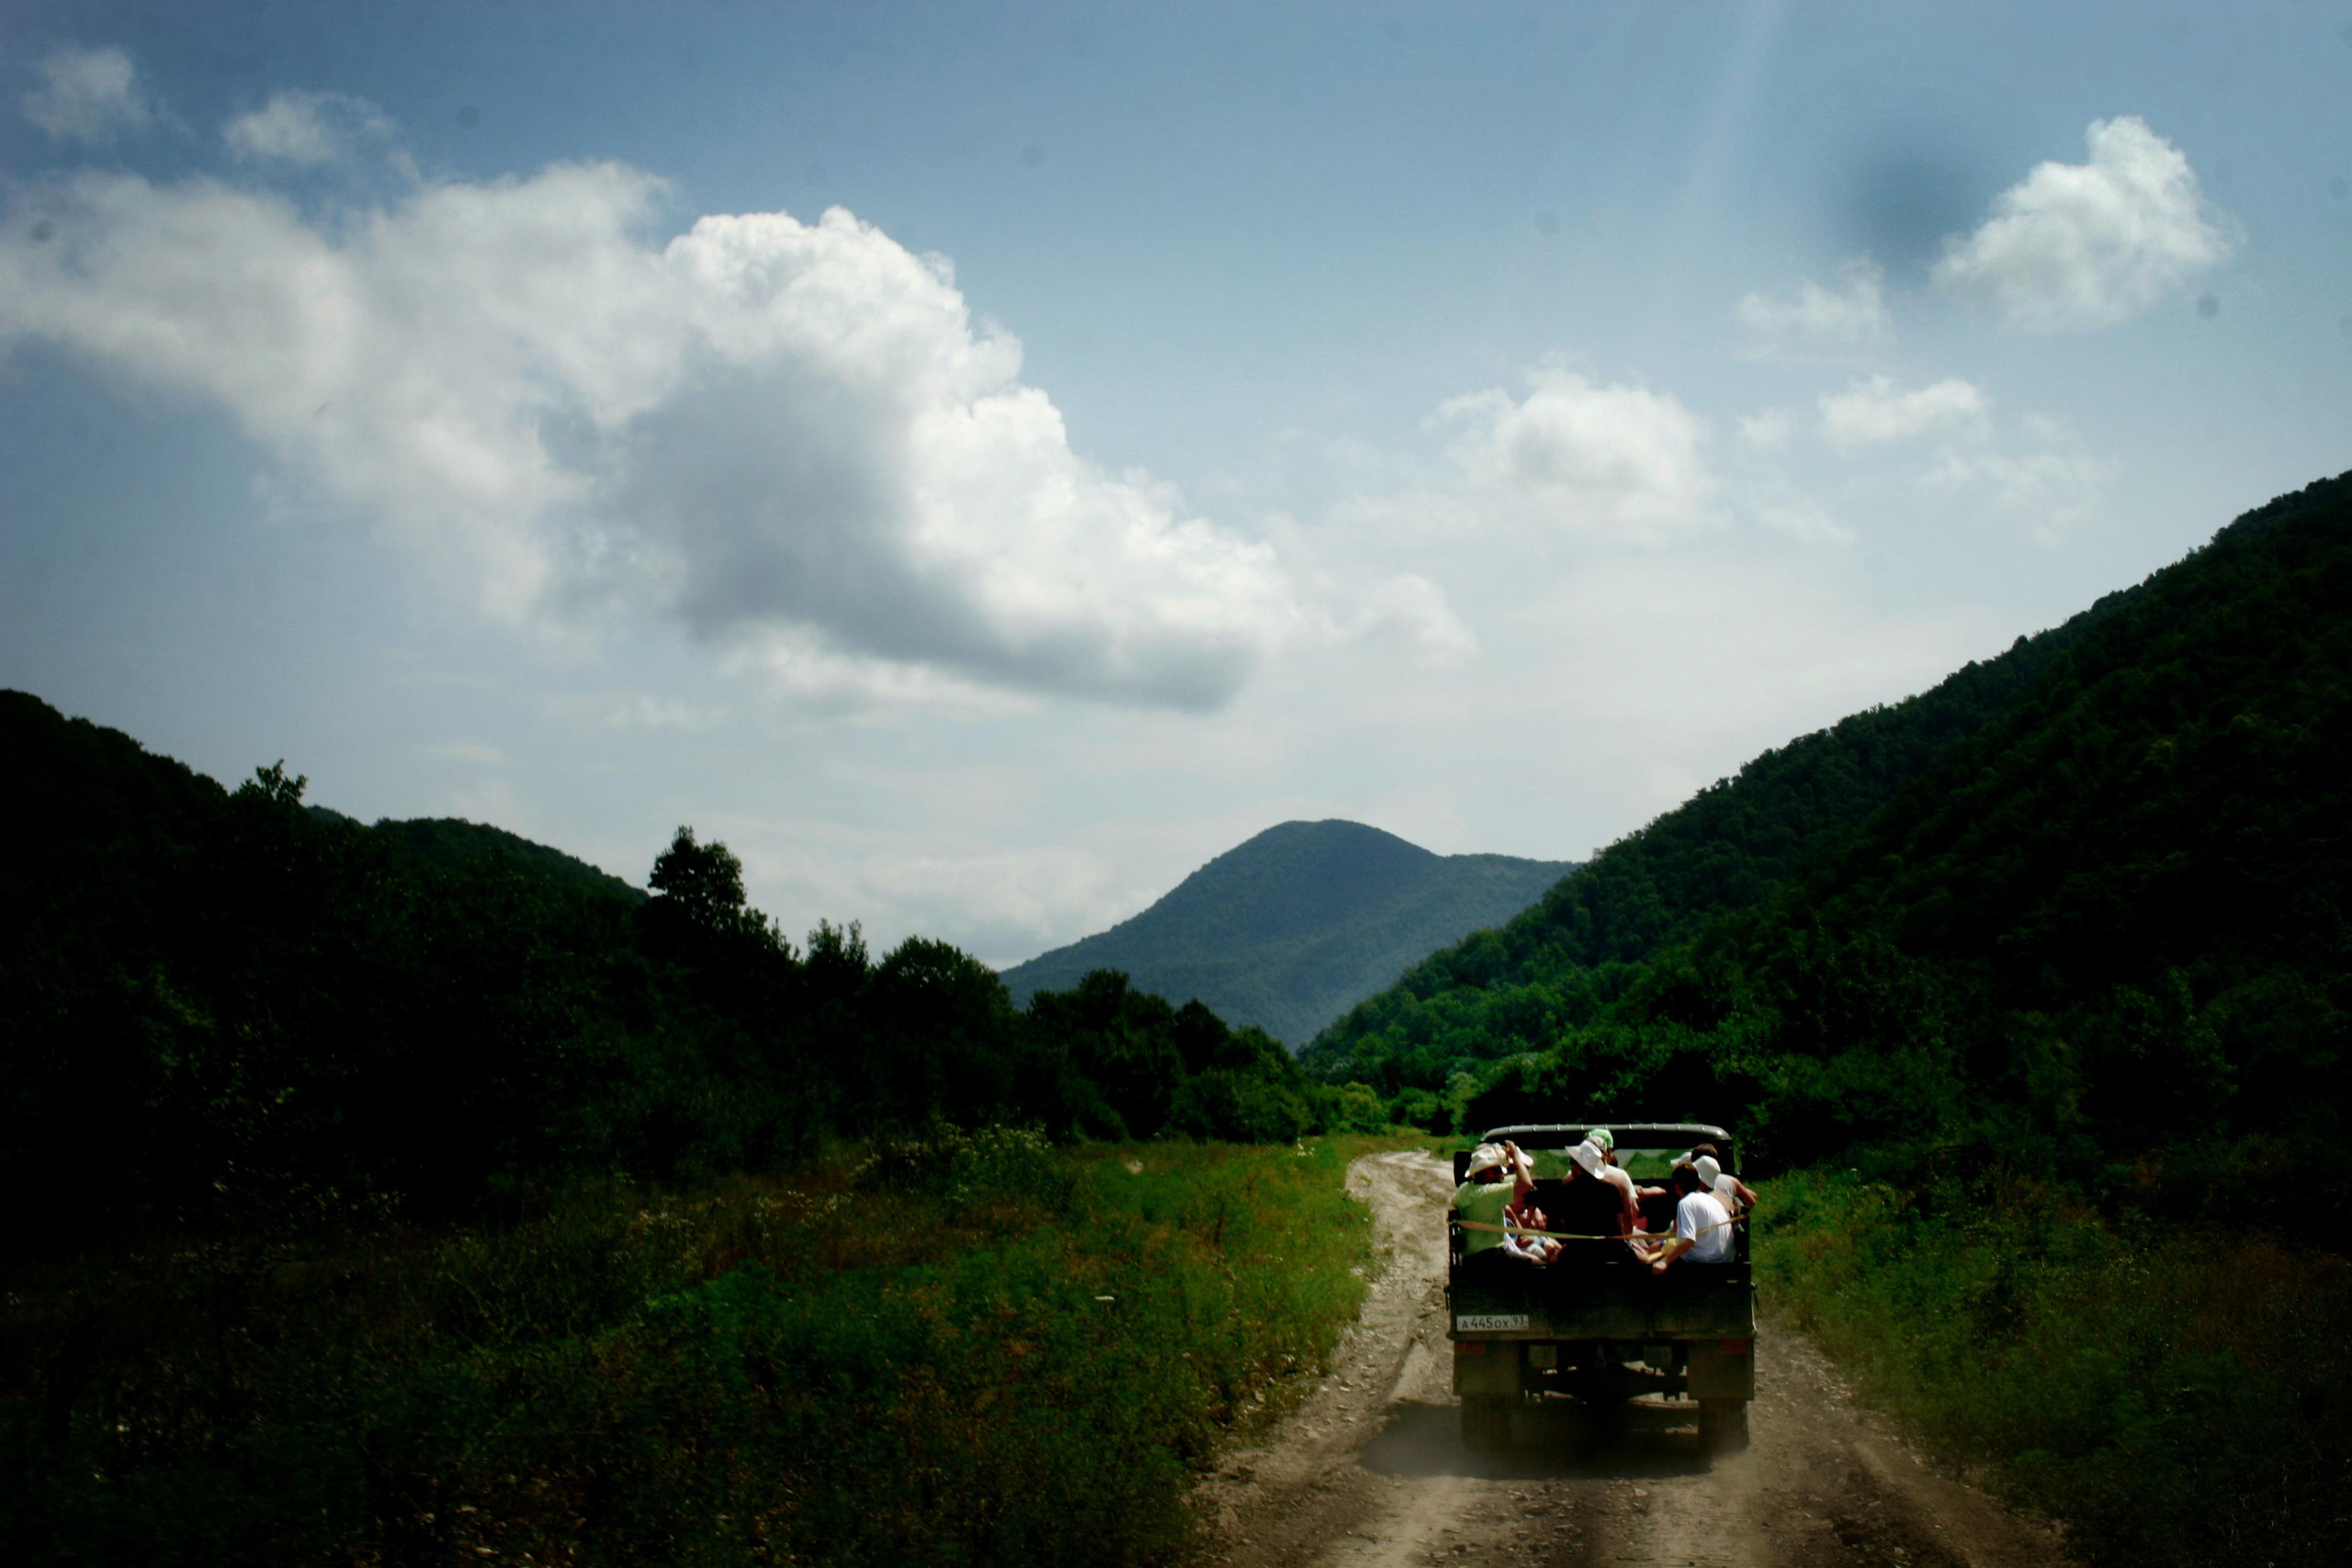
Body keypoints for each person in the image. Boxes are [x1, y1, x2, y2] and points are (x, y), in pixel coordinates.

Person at [1453, 1140, 1534, 1266]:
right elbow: (1526, 1183)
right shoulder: (1489, 1192)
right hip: (1491, 1257)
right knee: (1532, 1265)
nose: (1500, 1174)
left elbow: (1518, 1179)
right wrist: (1515, 1157)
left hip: (1470, 1257)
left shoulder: (1465, 1189)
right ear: (1483, 1172)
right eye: (1495, 1170)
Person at [1644, 1161, 1734, 1273]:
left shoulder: (1686, 1203)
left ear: (1677, 1186)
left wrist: (1664, 1262)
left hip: (1702, 1262)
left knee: (1650, 1265)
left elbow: (1688, 1240)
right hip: (1723, 1259)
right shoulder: (1711, 1199)